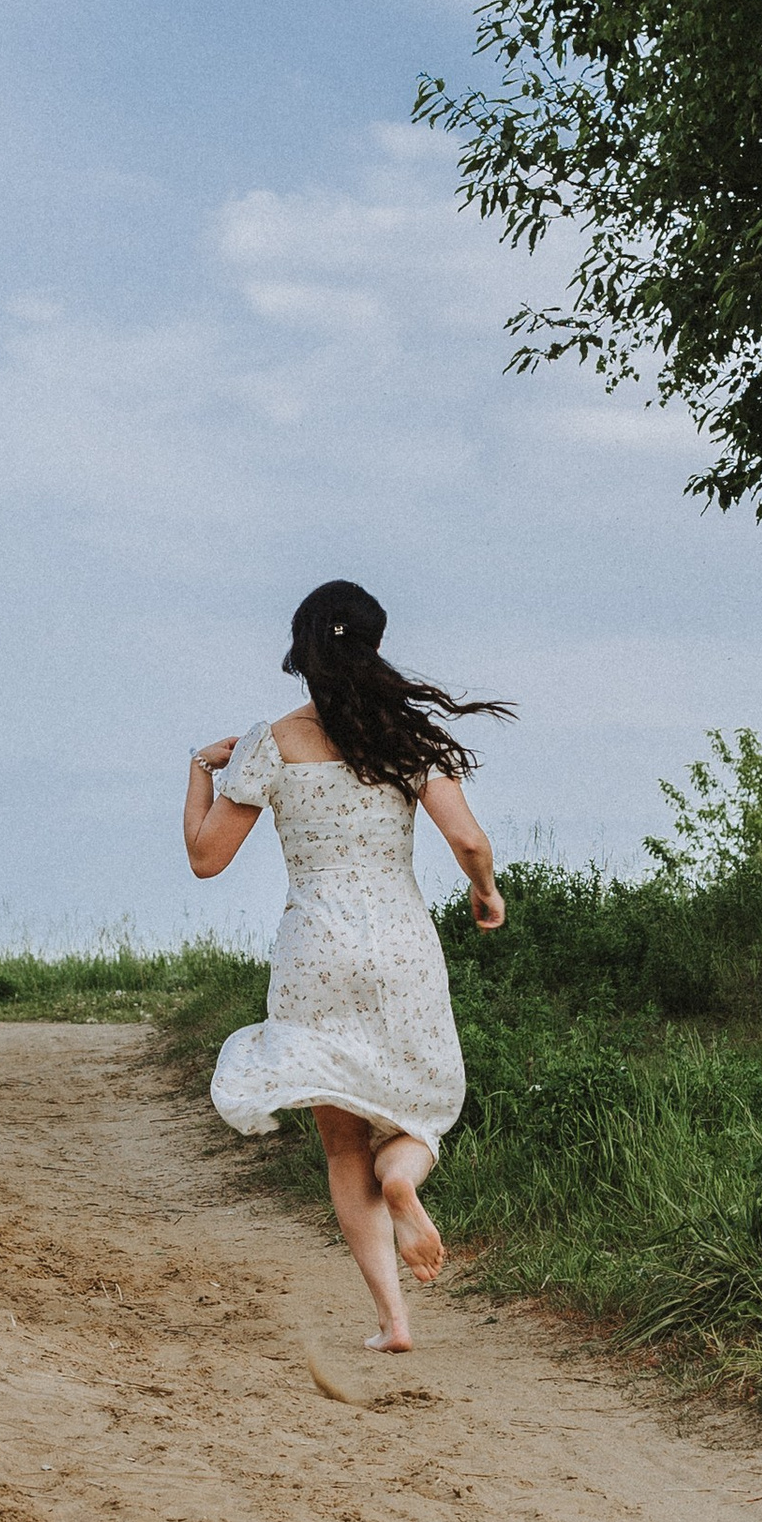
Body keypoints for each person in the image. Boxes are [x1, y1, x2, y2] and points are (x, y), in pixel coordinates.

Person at [184, 579, 510, 1353]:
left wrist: (202, 765)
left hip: (314, 949)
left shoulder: (271, 741)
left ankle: (393, 1321)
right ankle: (406, 1176)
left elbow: (206, 858)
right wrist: (486, 889)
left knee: (341, 1143)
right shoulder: (407, 736)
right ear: (373, 643)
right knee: (424, 1105)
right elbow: (466, 839)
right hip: (399, 942)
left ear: (301, 650)